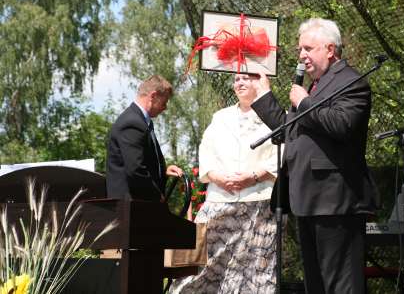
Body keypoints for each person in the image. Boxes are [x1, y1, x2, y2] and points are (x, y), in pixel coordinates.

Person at [252, 18, 378, 294]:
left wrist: (304, 102)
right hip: (306, 198)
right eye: (300, 49)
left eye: (308, 48)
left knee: (342, 286)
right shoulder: (316, 86)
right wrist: (263, 95)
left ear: (330, 49)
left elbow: (342, 125)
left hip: (336, 202)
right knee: (315, 285)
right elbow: (292, 130)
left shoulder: (351, 81)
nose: (301, 55)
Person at [169, 73, 278, 294]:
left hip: (259, 202)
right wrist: (217, 177)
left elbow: (284, 153)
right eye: (236, 79)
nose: (240, 83)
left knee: (254, 271)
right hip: (219, 199)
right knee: (198, 262)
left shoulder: (276, 115)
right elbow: (206, 151)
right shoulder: (220, 117)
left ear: (259, 81)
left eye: (246, 78)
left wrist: (253, 176)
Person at [106, 74, 183, 201]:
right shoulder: (132, 123)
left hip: (136, 204)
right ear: (153, 96)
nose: (165, 108)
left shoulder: (141, 121)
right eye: (164, 102)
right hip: (130, 206)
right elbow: (136, 170)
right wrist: (157, 196)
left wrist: (162, 170)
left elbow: (142, 162)